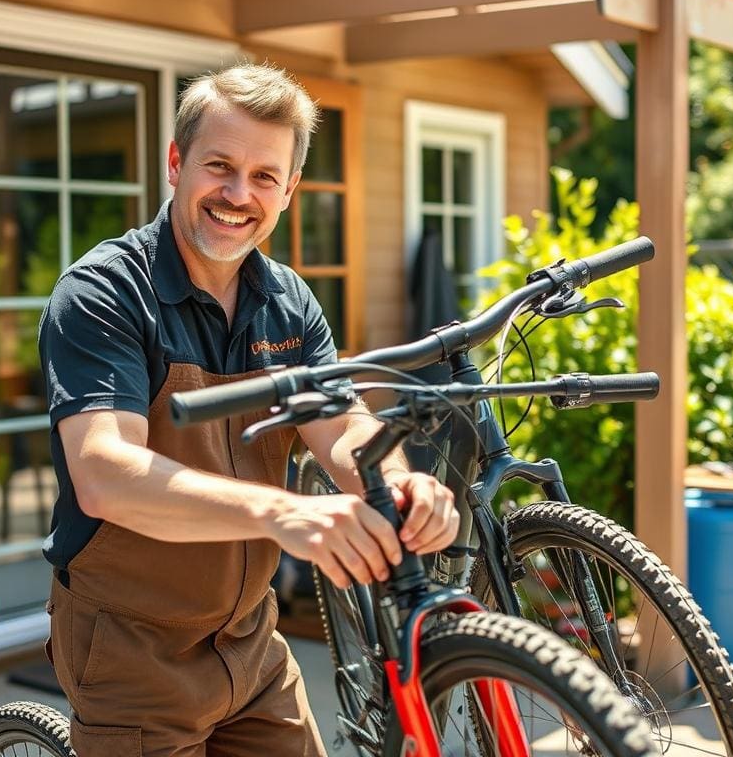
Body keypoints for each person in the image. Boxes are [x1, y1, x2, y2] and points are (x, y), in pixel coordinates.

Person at [38, 63, 459, 757]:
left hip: (251, 645)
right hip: (130, 652)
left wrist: (402, 481)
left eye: (265, 176)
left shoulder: (288, 301)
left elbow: (344, 426)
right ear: (176, 163)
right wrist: (281, 513)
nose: (238, 195)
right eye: (220, 166)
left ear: (289, 190)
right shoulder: (104, 293)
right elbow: (104, 472)